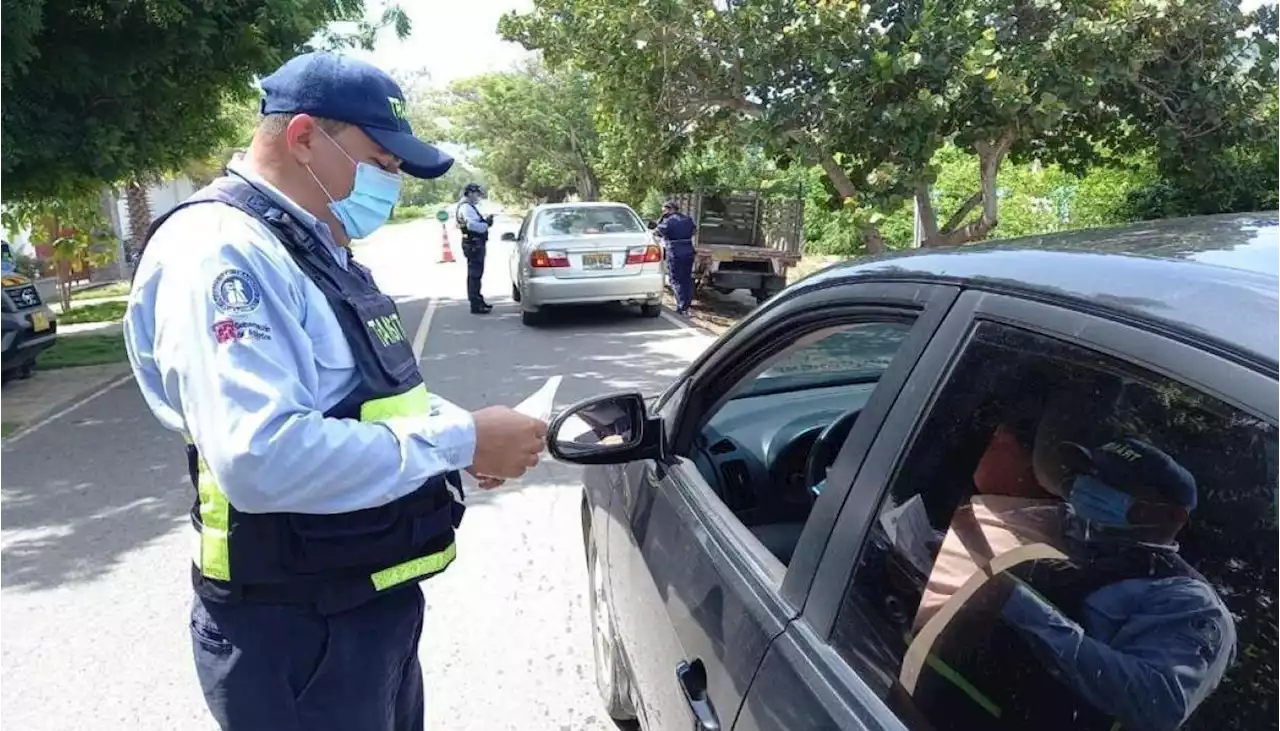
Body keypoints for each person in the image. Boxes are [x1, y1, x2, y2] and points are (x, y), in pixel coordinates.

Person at [122, 51, 548, 731]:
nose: (393, 183)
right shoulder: (223, 253)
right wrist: (461, 438)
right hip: (295, 632)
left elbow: (362, 394)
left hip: (360, 607)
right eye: (382, 162)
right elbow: (260, 456)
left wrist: (463, 443)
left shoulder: (308, 244)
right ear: (303, 138)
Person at [904, 436, 1236, 731]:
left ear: (1171, 516)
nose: (1090, 488)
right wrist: (929, 557)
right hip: (909, 699)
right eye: (1089, 475)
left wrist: (1016, 603)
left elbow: (1158, 703)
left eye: (1115, 484)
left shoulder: (1186, 600)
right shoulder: (1061, 524)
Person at [455, 182, 493, 314]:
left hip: (474, 243)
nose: (477, 196)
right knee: (474, 275)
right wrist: (486, 224)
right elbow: (472, 225)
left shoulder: (469, 206)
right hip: (473, 244)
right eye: (476, 193)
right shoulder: (466, 207)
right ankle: (476, 304)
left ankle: (478, 300)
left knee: (477, 274)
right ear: (470, 193)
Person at [655, 200, 697, 315]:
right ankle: (687, 305)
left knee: (676, 280)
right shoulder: (687, 219)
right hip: (689, 251)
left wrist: (661, 219)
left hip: (675, 252)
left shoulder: (668, 221)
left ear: (669, 209)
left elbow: (658, 232)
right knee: (686, 279)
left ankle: (681, 307)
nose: (663, 212)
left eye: (664, 210)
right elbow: (693, 231)